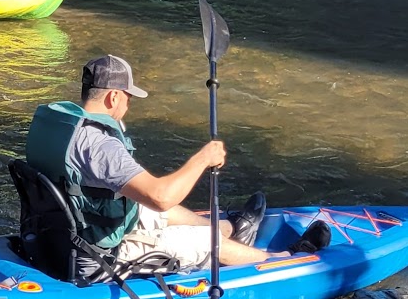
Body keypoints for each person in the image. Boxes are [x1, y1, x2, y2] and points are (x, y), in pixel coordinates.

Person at [25, 53, 330, 270]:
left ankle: (228, 228)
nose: (129, 105)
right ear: (113, 97)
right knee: (203, 239)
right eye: (129, 98)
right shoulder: (102, 146)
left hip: (62, 232)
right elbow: (161, 196)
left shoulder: (62, 129)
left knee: (150, 207)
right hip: (99, 255)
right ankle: (287, 259)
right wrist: (202, 158)